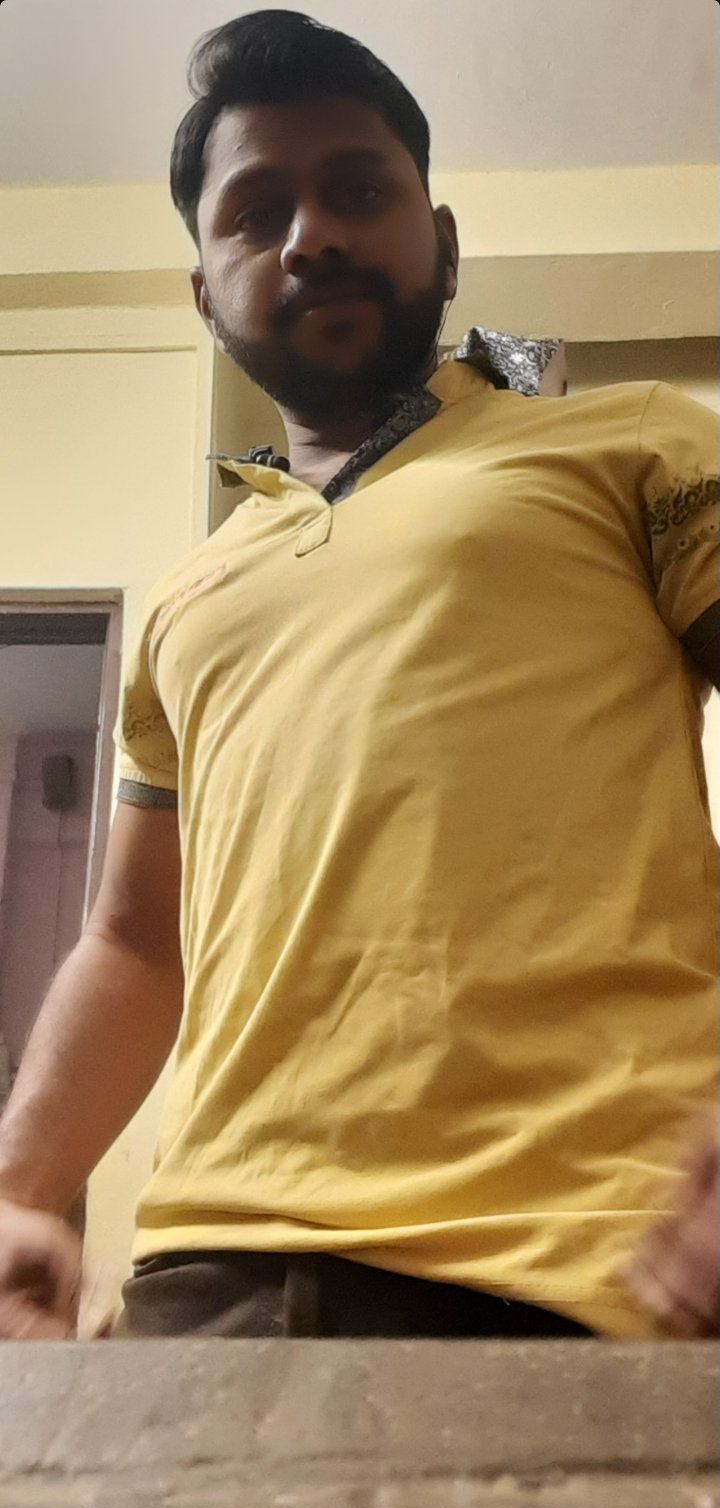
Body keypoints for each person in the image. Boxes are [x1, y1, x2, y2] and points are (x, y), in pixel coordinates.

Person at [0, 10, 718, 1344]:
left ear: (440, 238)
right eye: (257, 211)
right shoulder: (184, 599)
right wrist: (20, 1188)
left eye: (359, 190)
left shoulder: (636, 445)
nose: (312, 235)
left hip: (589, 1267)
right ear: (204, 292)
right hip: (206, 1283)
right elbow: (134, 942)